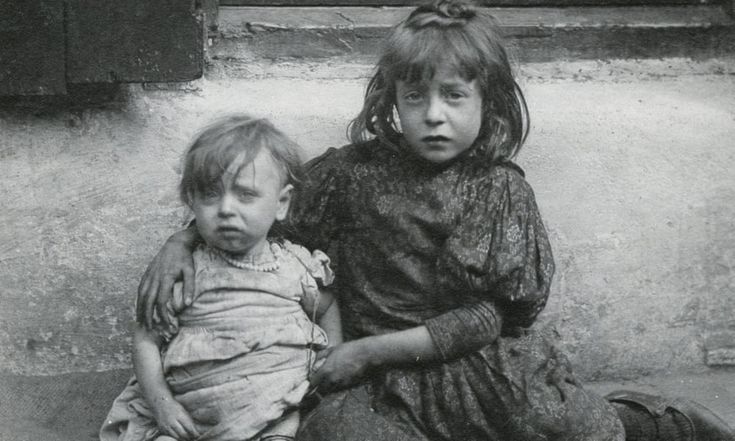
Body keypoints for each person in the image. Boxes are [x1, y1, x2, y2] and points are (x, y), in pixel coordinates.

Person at [136, 2, 735, 440]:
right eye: (415, 98)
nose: (433, 117)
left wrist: (369, 352)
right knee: (336, 436)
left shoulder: (499, 190)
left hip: (473, 364)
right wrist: (180, 241)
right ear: (390, 101)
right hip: (376, 384)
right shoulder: (351, 175)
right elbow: (264, 205)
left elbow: (489, 317)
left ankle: (657, 422)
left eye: (454, 97)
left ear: (488, 102)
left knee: (572, 427)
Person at [101, 115, 342, 441]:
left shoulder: (294, 266)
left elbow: (326, 305)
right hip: (190, 415)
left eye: (245, 195)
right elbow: (146, 339)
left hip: (274, 414)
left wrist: (333, 355)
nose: (226, 208)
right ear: (193, 202)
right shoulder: (185, 272)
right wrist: (162, 405)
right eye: (211, 195)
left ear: (281, 203)